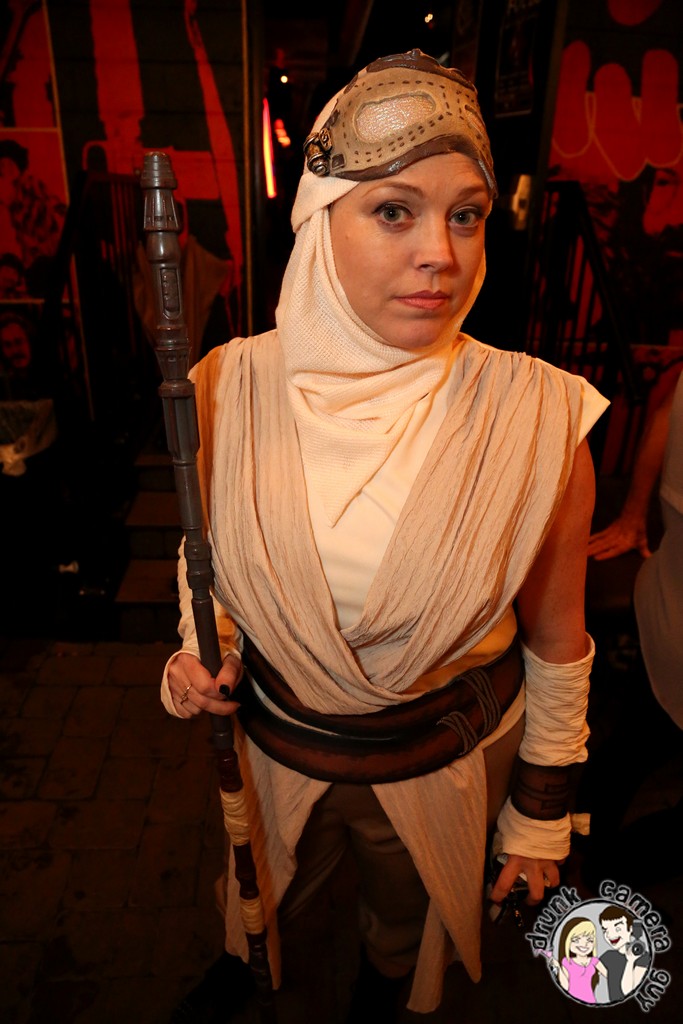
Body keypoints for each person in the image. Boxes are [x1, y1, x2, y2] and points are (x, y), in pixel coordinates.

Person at [160, 50, 608, 1022]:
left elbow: (556, 638)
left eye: (465, 215)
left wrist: (539, 810)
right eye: (394, 211)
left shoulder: (539, 420)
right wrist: (202, 645)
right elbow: (212, 559)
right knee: (263, 894)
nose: (440, 254)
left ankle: (381, 986)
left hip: (440, 762)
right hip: (274, 748)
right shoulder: (226, 388)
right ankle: (252, 963)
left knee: (402, 929)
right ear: (319, 221)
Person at [550, 916, 607, 1003]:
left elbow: (610, 976)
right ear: (567, 941)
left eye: (590, 940)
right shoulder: (567, 962)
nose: (584, 944)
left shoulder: (594, 961)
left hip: (590, 1001)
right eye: (576, 940)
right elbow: (565, 986)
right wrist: (558, 967)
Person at [598, 907, 650, 1002]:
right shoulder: (608, 956)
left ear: (630, 929)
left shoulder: (642, 957)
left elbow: (628, 991)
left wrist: (630, 961)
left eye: (617, 929)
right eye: (605, 930)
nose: (609, 935)